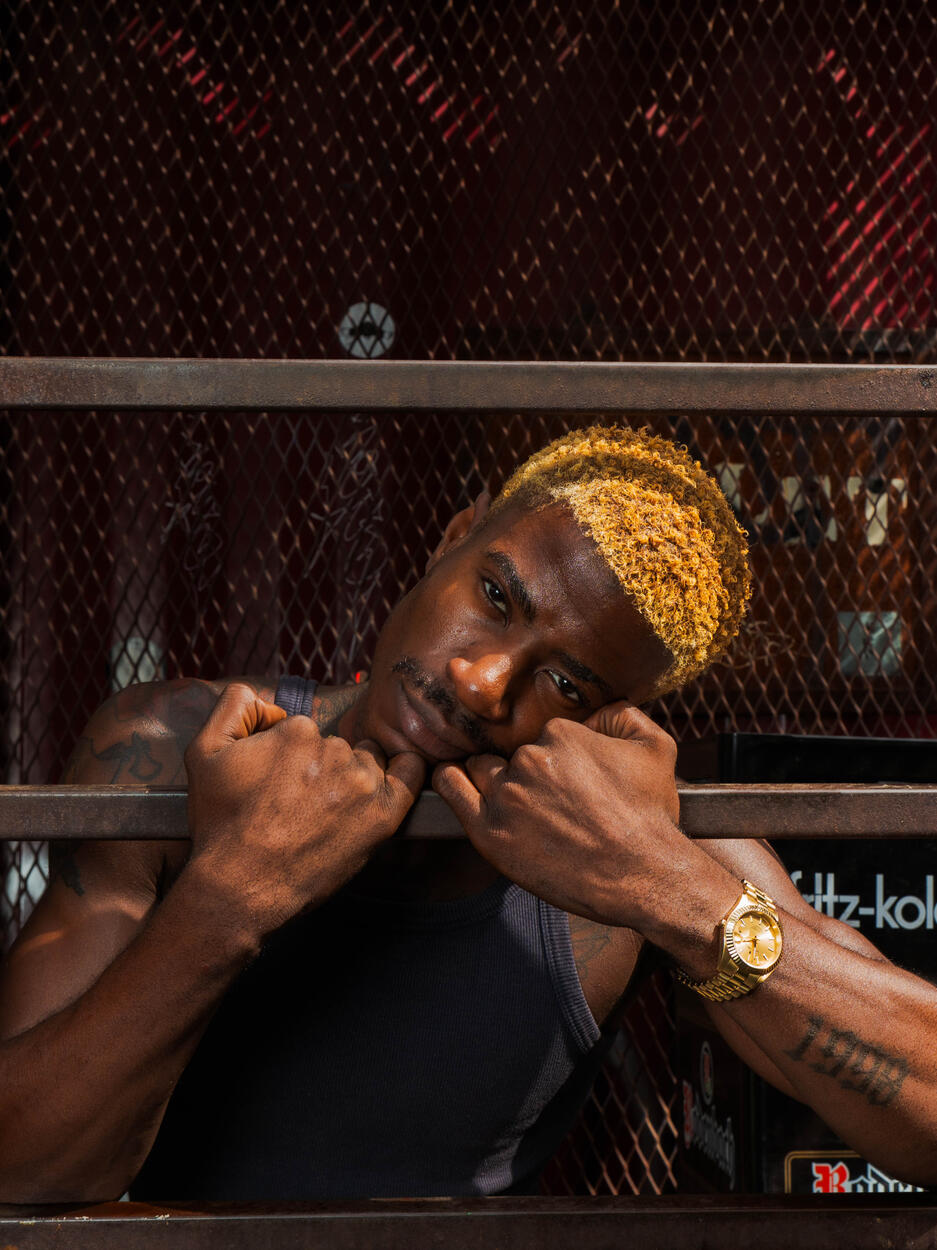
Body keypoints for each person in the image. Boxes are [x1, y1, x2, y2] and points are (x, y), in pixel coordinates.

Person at [1, 425, 936, 1202]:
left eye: (565, 681)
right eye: (495, 597)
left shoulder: (642, 842)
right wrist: (233, 895)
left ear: (611, 719)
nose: (483, 682)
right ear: (451, 535)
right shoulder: (176, 745)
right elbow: (22, 1166)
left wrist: (669, 891)